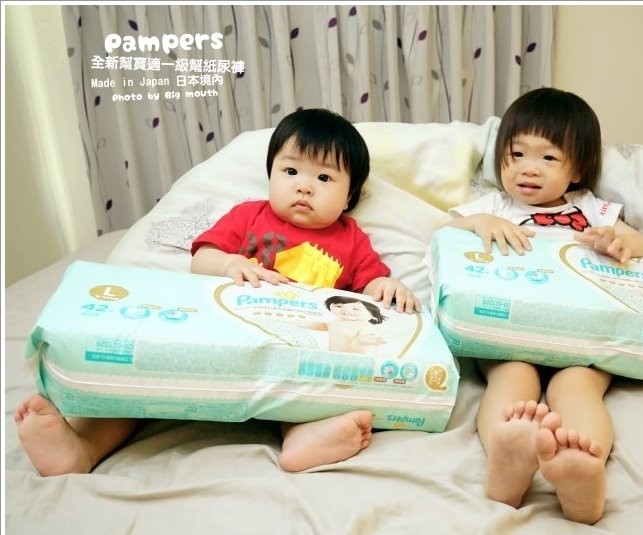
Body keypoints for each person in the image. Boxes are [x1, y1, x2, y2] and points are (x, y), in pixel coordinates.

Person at [15, 108, 420, 477]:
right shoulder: (249, 215)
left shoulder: (351, 238)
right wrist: (229, 264)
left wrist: (387, 285)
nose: (304, 187)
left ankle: (302, 438)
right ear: (271, 175)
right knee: (139, 384)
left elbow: (370, 285)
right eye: (291, 171)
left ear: (349, 197)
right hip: (223, 334)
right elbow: (202, 259)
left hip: (290, 347)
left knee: (308, 390)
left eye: (324, 178)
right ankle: (82, 448)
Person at [446, 87, 643, 524]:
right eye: (516, 154)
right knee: (511, 378)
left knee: (577, 388)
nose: (528, 168)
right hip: (510, 329)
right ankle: (508, 453)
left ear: (576, 169)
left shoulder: (592, 209)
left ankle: (580, 464)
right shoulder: (495, 205)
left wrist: (617, 242)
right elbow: (447, 231)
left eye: (548, 158)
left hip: (583, 331)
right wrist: (482, 223)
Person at [323, 295, 388, 354]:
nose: (346, 310)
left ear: (373, 316)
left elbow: (368, 332)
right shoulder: (337, 321)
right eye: (339, 306)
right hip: (333, 355)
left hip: (352, 358)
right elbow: (326, 326)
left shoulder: (364, 325)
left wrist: (365, 339)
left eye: (355, 309)